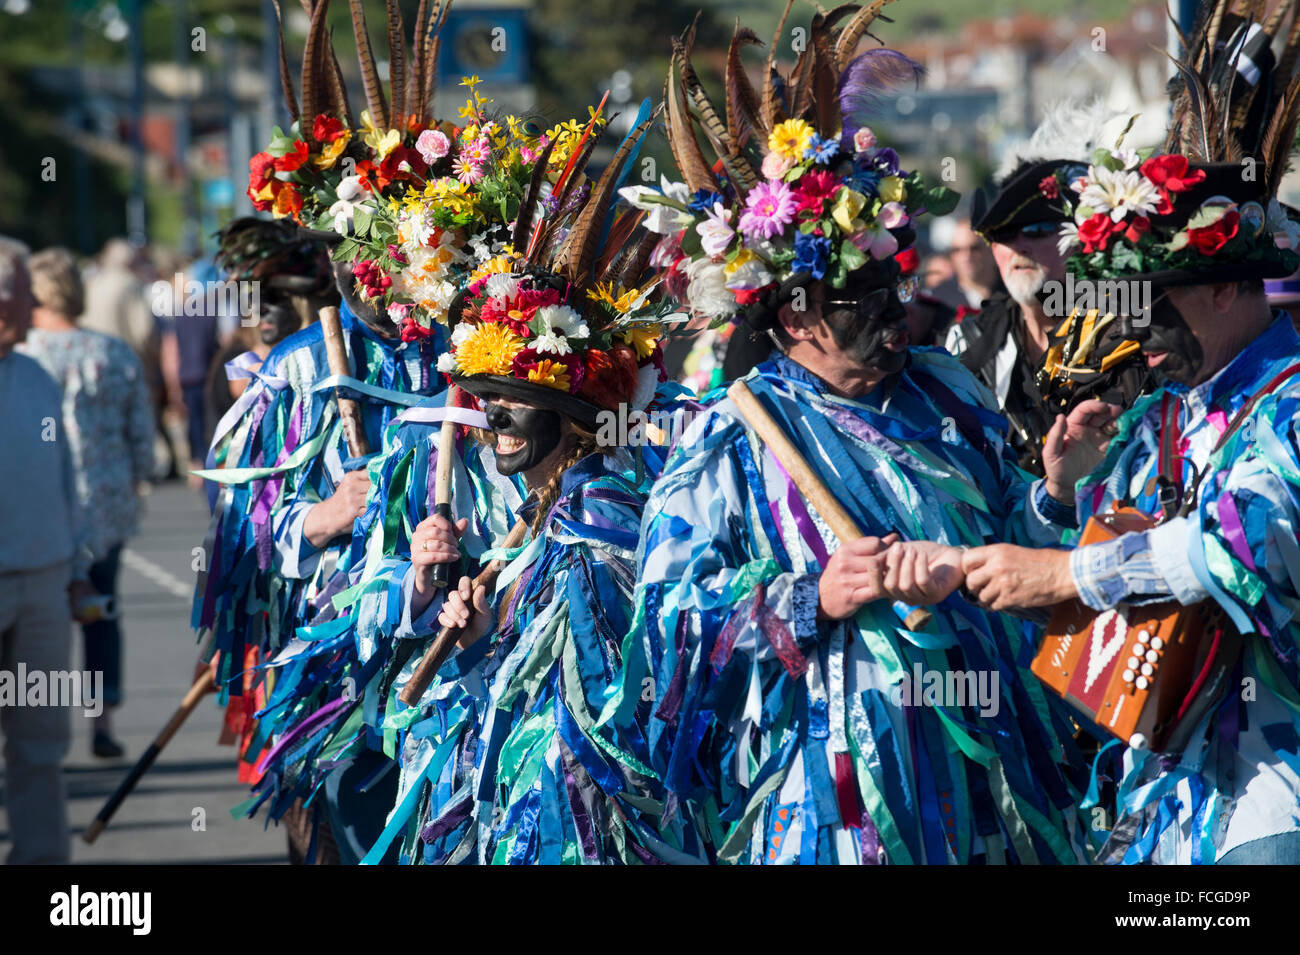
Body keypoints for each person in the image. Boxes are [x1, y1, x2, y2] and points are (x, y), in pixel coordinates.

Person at [625, 8, 1090, 864]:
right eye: (857, 297)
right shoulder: (734, 438)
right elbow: (665, 625)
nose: (892, 310)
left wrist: (1053, 495)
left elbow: (1022, 557)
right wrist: (812, 599)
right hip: (840, 805)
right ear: (793, 315)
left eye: (893, 281)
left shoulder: (945, 391)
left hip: (994, 784)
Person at [937, 2, 1300, 864]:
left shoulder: (1291, 400)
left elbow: (1244, 546)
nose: (1138, 332)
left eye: (1159, 303)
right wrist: (1065, 500)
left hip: (1275, 800)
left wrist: (1067, 568)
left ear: (1224, 289)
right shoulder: (1168, 412)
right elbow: (1109, 551)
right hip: (1171, 806)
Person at [946, 101, 1152, 474]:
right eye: (1002, 234)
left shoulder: (1135, 332)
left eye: (1038, 231)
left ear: (1081, 239)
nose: (1018, 246)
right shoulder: (967, 342)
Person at [18, 247, 154, 758]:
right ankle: (103, 720)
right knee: (100, 610)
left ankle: (35, 726)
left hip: (41, 504)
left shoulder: (25, 354)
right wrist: (135, 479)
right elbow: (140, 432)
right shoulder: (112, 352)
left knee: (37, 619)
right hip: (106, 503)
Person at [0, 244, 93, 863]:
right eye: (16, 290)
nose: (29, 302)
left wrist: (78, 571)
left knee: (41, 745)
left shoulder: (34, 374)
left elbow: (66, 477)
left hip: (43, 583)